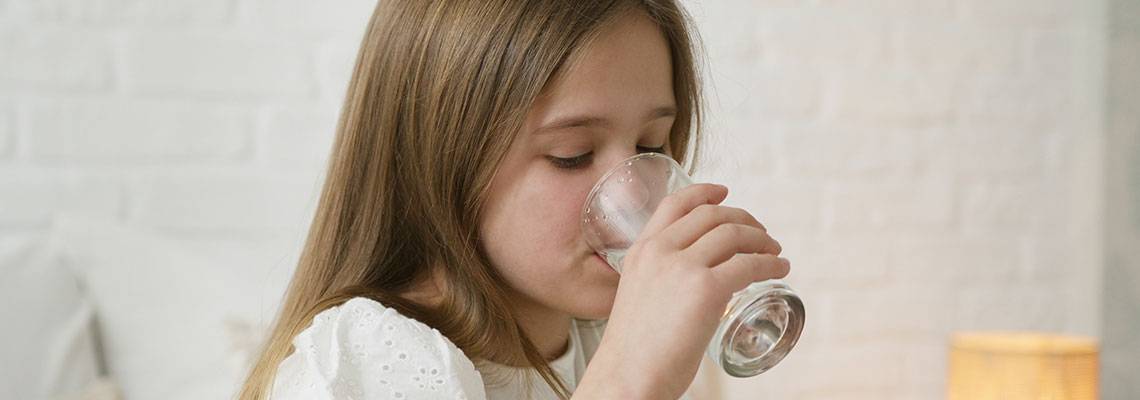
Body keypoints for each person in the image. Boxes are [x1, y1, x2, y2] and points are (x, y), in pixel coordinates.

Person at [237, 1, 790, 399]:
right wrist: (629, 382)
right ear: (444, 162)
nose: (636, 191)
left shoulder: (610, 335)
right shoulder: (372, 357)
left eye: (650, 145)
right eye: (572, 154)